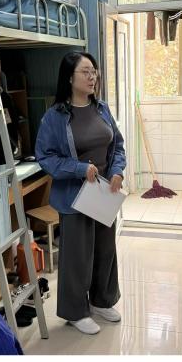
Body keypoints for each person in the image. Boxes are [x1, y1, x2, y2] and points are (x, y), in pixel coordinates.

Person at [35, 52, 126, 335]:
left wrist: (117, 171)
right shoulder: (54, 117)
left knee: (105, 251)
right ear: (69, 77)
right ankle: (75, 312)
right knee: (77, 257)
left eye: (94, 71)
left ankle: (101, 301)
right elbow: (45, 157)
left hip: (103, 191)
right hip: (74, 197)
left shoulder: (102, 109)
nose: (92, 76)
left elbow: (117, 145)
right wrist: (78, 169)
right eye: (85, 71)